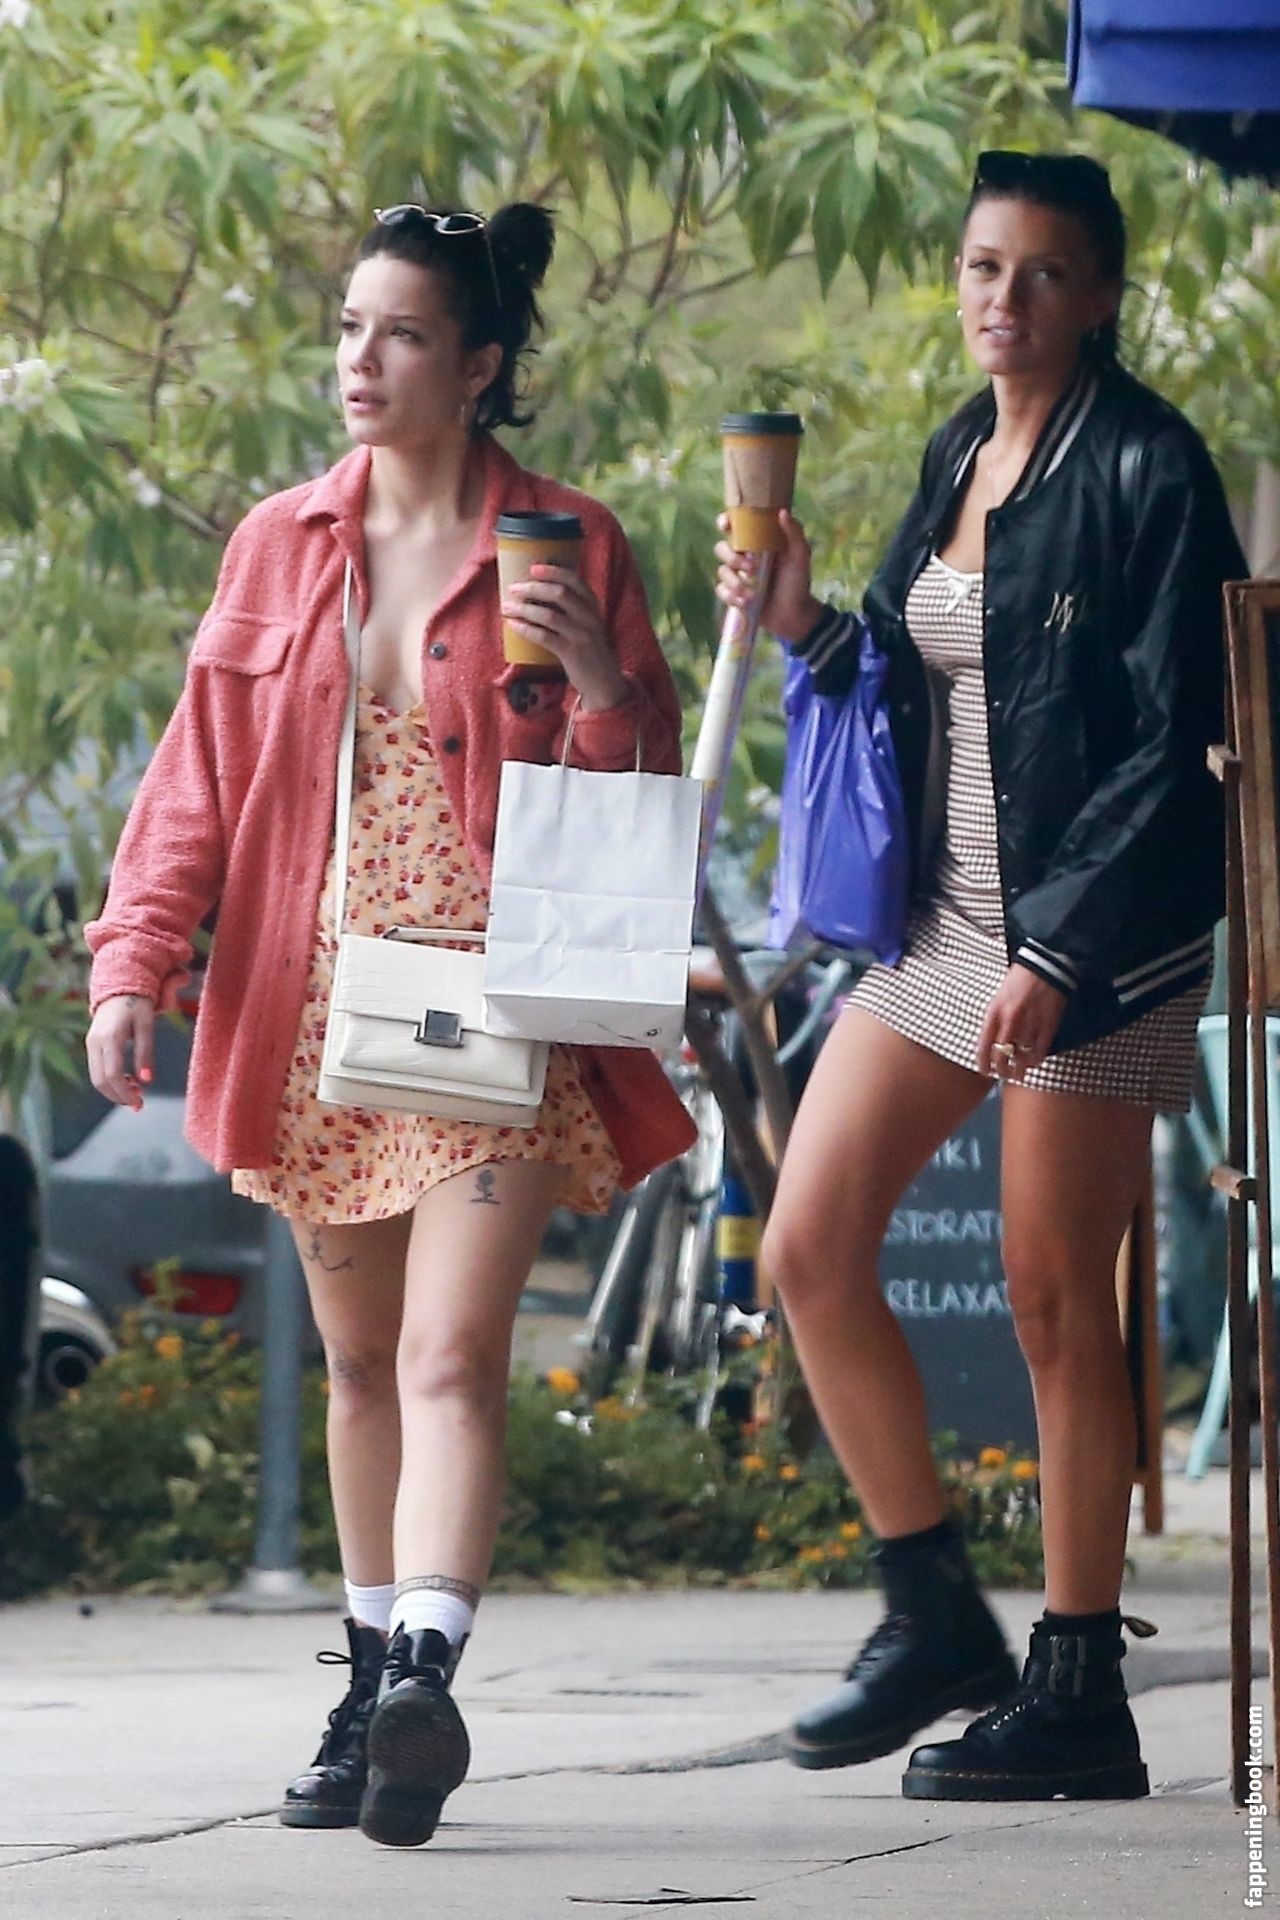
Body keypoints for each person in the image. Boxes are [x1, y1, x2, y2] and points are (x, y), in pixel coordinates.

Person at [84, 201, 694, 1848]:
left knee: (448, 1354)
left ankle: (426, 1665)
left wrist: (605, 686)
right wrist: (135, 961)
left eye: (403, 333)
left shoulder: (568, 542)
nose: (362, 360)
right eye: (352, 328)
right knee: (359, 1364)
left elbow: (637, 799)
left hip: (501, 1006)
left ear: (478, 365)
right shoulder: (282, 543)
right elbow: (198, 777)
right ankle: (370, 1691)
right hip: (314, 1008)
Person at [716, 150, 1245, 1802]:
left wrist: (1063, 949)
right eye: (980, 267)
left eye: (1040, 273)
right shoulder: (961, 446)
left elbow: (1180, 741)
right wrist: (804, 624)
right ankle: (935, 1608)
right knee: (807, 1242)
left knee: (1051, 1293)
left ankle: (1080, 1690)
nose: (1001, 299)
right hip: (944, 925)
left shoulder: (1149, 465)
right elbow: (912, 678)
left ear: (1100, 296)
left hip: (1100, 939)